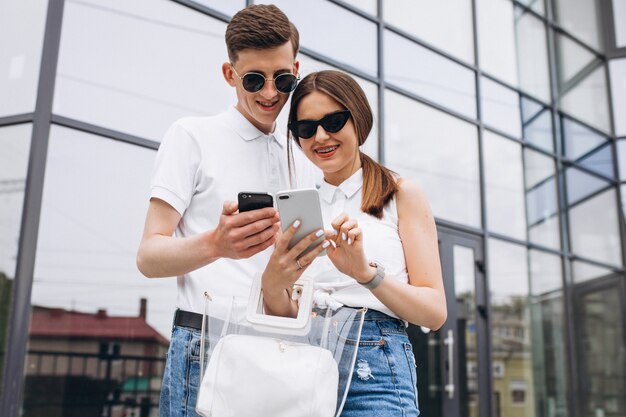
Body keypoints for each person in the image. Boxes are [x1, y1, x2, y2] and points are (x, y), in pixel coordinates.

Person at [135, 5, 318, 416]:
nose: (271, 93)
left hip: (284, 345)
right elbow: (148, 256)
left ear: (296, 68)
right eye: (254, 79)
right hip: (207, 341)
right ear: (228, 75)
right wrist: (217, 244)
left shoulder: (303, 156)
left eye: (283, 78)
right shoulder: (191, 137)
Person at [261, 70, 448, 417]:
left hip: (374, 367)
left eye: (333, 121)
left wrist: (366, 275)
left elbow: (435, 312)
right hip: (302, 363)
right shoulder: (299, 207)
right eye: (305, 128)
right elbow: (285, 313)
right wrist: (272, 283)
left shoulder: (400, 194)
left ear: (358, 118)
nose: (320, 136)